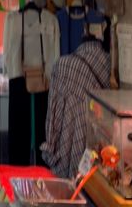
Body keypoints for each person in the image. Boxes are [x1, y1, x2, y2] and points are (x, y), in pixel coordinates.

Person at [42, 36, 111, 178]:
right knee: (85, 181)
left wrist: (51, 146)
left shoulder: (61, 66)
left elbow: (52, 114)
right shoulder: (108, 68)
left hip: (63, 140)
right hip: (92, 144)